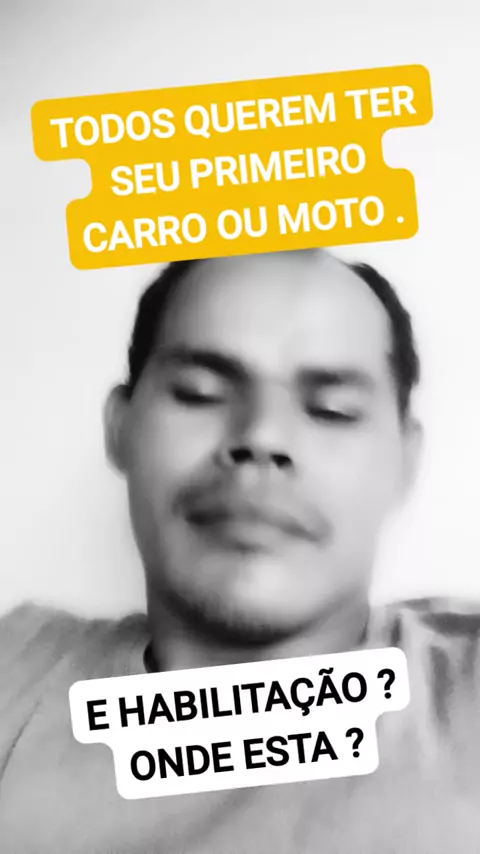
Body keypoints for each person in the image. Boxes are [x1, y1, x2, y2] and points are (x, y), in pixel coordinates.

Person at [1, 249, 479, 853]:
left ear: (404, 461)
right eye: (199, 393)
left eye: (332, 411)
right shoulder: (19, 667)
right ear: (119, 427)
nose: (262, 435)